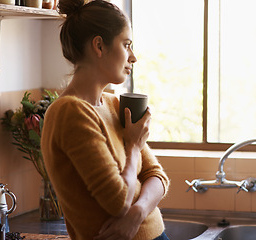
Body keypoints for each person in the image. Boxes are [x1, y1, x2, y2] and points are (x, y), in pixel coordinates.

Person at [40, 0, 170, 239]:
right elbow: (118, 202)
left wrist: (137, 213)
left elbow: (157, 175)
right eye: (127, 45)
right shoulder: (70, 111)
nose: (133, 57)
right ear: (99, 46)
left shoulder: (115, 104)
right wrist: (133, 146)